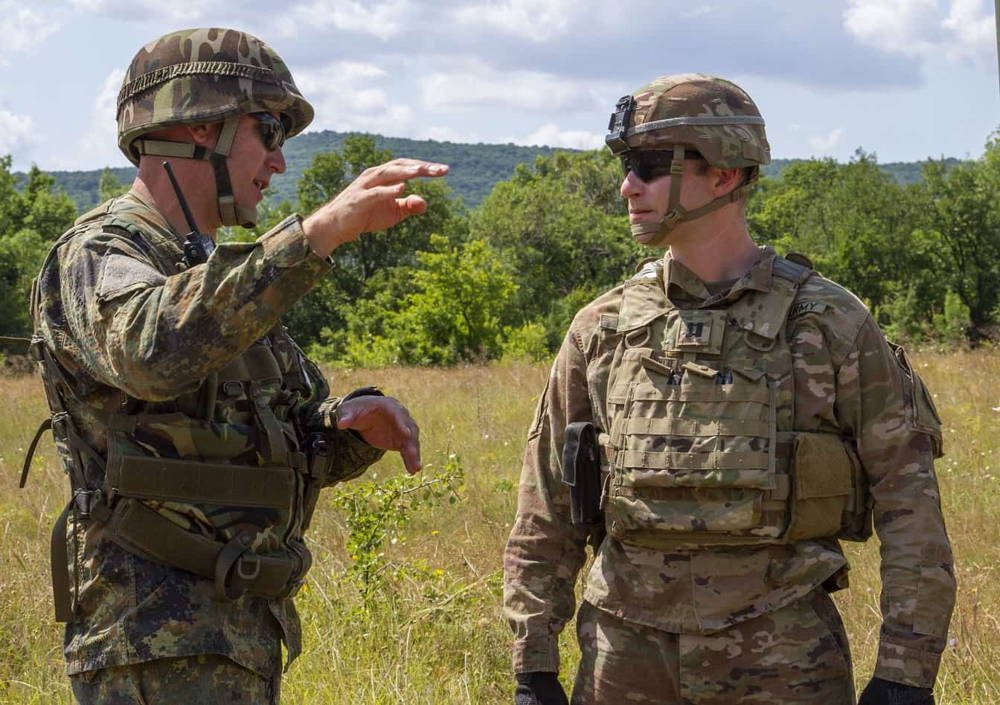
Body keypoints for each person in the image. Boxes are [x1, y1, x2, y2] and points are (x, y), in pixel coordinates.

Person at [23, 28, 448, 704]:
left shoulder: (219, 276)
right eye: (270, 130)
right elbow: (150, 351)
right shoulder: (100, 253)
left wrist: (349, 427)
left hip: (238, 636)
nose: (279, 163)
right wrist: (316, 235)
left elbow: (287, 433)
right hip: (149, 649)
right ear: (197, 127)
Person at [503, 74, 955, 705]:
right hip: (623, 662)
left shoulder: (827, 325)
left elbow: (910, 509)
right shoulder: (601, 328)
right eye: (627, 167)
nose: (627, 186)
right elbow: (546, 507)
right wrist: (534, 667)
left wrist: (905, 674)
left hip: (782, 659)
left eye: (650, 166)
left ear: (723, 175)